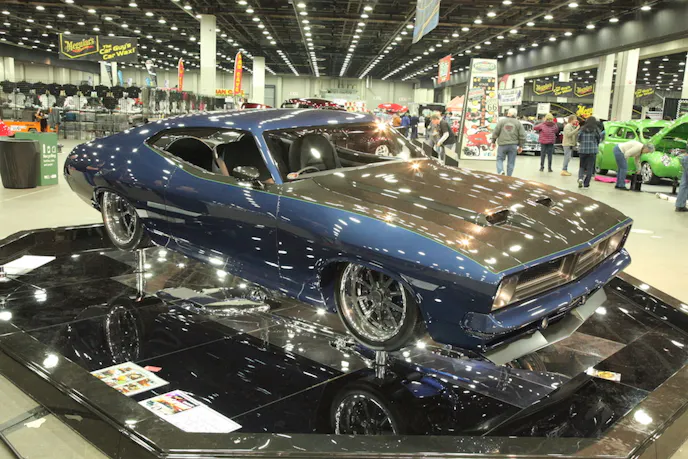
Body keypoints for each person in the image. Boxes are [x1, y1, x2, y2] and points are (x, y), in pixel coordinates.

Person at [490, 108, 525, 176]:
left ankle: (501, 171)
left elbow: (496, 132)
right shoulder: (518, 123)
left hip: (502, 145)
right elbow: (522, 135)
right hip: (513, 145)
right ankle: (509, 177)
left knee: (499, 159)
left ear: (508, 114)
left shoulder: (502, 122)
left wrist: (493, 141)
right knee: (511, 162)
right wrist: (521, 146)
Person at [576, 117, 602, 189]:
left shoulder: (582, 129)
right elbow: (599, 138)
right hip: (592, 151)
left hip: (583, 150)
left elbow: (578, 138)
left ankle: (580, 178)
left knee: (582, 166)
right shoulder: (596, 129)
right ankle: (586, 184)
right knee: (590, 167)